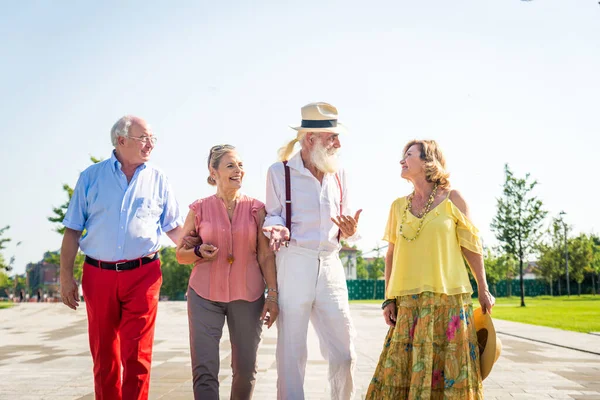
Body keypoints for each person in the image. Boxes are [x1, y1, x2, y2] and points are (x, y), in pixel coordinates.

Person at [59, 115, 184, 400]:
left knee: (138, 354)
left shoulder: (159, 179)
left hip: (144, 274)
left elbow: (175, 229)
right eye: (144, 138)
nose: (150, 144)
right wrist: (66, 277)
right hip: (98, 275)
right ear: (121, 141)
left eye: (153, 138)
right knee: (105, 357)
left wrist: (200, 248)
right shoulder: (91, 177)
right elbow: (72, 231)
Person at [366, 139, 495, 400]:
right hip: (408, 305)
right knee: (400, 369)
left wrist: (483, 287)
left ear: (428, 162)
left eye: (409, 155)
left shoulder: (453, 199)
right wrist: (388, 298)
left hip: (449, 302)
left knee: (451, 370)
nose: (402, 160)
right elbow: (390, 255)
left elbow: (472, 247)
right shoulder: (397, 206)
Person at [263, 102, 362, 400]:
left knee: (345, 352)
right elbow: (273, 214)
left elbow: (347, 220)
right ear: (311, 139)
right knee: (292, 352)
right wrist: (276, 227)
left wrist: (351, 231)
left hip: (330, 263)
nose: (338, 143)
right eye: (332, 137)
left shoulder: (339, 173)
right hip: (295, 261)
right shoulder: (279, 172)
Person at [176, 144, 279, 400]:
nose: (238, 171)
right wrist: (198, 252)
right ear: (214, 171)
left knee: (245, 369)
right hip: (204, 295)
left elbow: (266, 255)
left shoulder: (257, 208)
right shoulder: (199, 208)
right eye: (231, 165)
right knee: (204, 368)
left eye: (241, 165)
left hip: (249, 296)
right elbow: (180, 254)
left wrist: (273, 295)